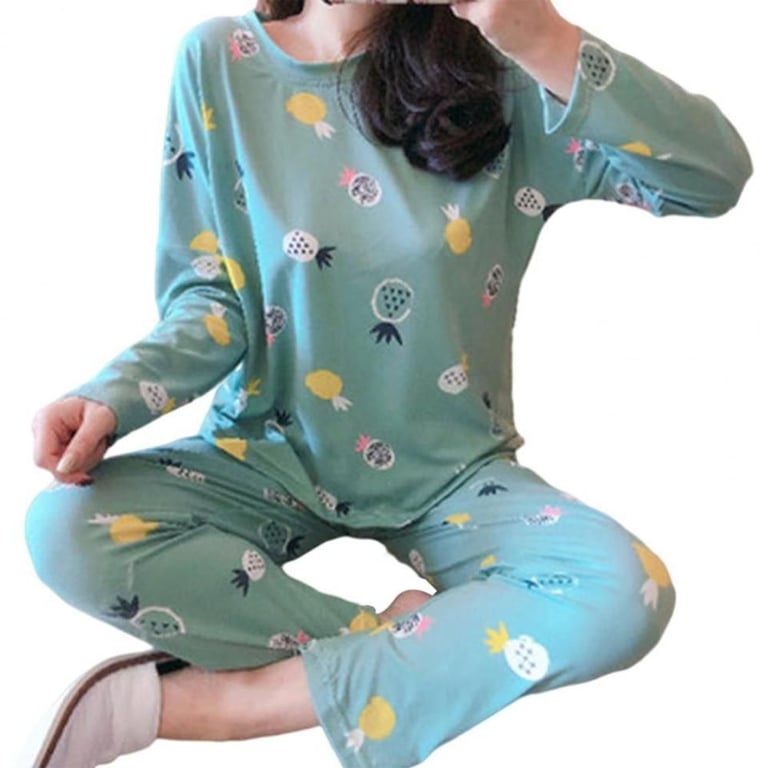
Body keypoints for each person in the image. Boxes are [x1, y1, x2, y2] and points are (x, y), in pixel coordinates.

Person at [24, 1, 751, 766]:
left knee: (624, 592)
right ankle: (389, 645)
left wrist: (547, 39)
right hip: (269, 457)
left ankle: (221, 705)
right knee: (66, 528)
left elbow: (710, 177)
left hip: (452, 472)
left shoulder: (499, 71)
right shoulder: (219, 61)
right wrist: (112, 397)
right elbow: (214, 302)